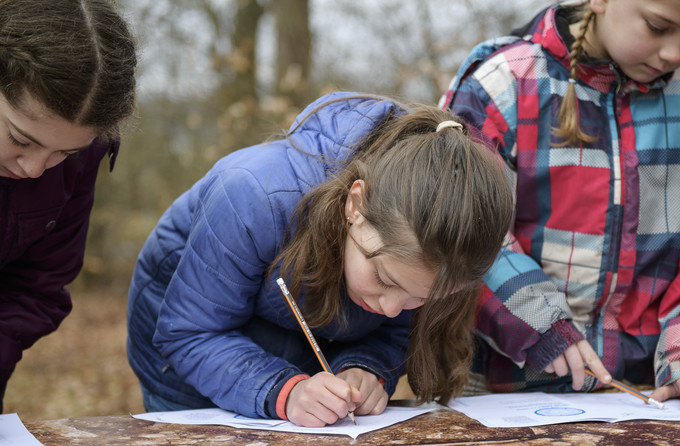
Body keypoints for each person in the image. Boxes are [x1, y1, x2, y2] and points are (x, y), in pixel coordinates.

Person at [126, 91, 514, 427]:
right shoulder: (252, 196)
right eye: (383, 279)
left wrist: (365, 368)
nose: (394, 308)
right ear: (355, 205)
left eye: (420, 299)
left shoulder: (427, 247)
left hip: (301, 343)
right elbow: (190, 332)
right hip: (190, 355)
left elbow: (394, 330)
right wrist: (284, 391)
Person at [441, 0, 680, 411]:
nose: (676, 53)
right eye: (658, 27)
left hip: (644, 397)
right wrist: (543, 326)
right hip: (503, 389)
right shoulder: (504, 84)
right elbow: (459, 229)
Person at [0, 0, 137, 412]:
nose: (36, 168)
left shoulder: (86, 154)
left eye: (64, 153)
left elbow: (38, 285)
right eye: (21, 140)